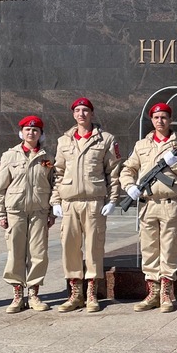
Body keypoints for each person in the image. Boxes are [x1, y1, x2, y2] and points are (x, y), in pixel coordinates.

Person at [120, 102, 177, 313]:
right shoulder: (141, 145)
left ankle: (165, 294)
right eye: (156, 118)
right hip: (148, 205)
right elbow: (128, 169)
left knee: (169, 249)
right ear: (151, 120)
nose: (160, 121)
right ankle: (152, 292)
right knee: (149, 249)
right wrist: (129, 187)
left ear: (170, 120)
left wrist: (175, 164)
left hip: (170, 204)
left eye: (164, 117)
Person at [50, 97, 122, 313]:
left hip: (94, 203)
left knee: (93, 248)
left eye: (85, 110)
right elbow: (58, 173)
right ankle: (75, 294)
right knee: (70, 249)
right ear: (73, 114)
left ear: (92, 113)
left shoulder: (106, 139)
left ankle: (91, 293)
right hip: (70, 202)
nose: (81, 114)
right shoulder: (64, 141)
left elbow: (114, 172)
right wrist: (55, 200)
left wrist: (112, 200)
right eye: (78, 110)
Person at [0, 115, 55, 313]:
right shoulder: (9, 156)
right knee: (15, 253)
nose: (31, 133)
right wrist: (0, 213)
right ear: (21, 133)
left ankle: (34, 294)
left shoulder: (47, 158)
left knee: (38, 253)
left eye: (35, 130)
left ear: (41, 134)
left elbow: (54, 185)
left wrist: (52, 211)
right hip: (15, 211)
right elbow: (0, 188)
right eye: (28, 130)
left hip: (39, 210)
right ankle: (17, 294)